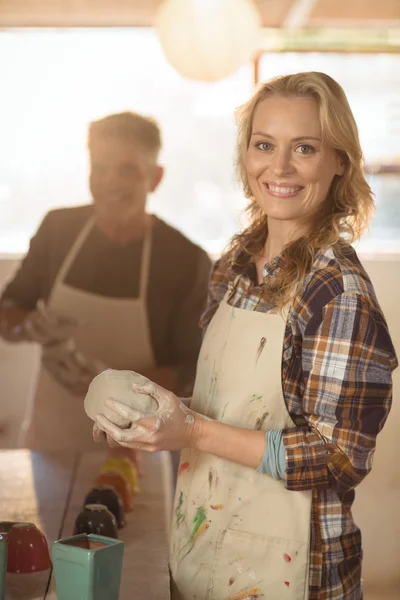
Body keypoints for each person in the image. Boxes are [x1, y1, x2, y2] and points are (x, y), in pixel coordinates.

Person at [90, 73, 397, 599]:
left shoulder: (336, 290)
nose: (279, 168)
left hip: (294, 572)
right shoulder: (234, 266)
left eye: (305, 148)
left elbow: (338, 456)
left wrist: (192, 432)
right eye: (264, 145)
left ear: (339, 161)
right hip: (204, 546)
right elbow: (228, 409)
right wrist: (150, 418)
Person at [0, 111, 212, 452]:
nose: (109, 182)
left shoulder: (185, 259)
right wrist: (26, 326)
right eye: (99, 167)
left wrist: (112, 383)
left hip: (137, 445)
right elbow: (7, 312)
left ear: (155, 178)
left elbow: (190, 369)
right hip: (51, 436)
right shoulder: (58, 230)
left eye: (127, 169)